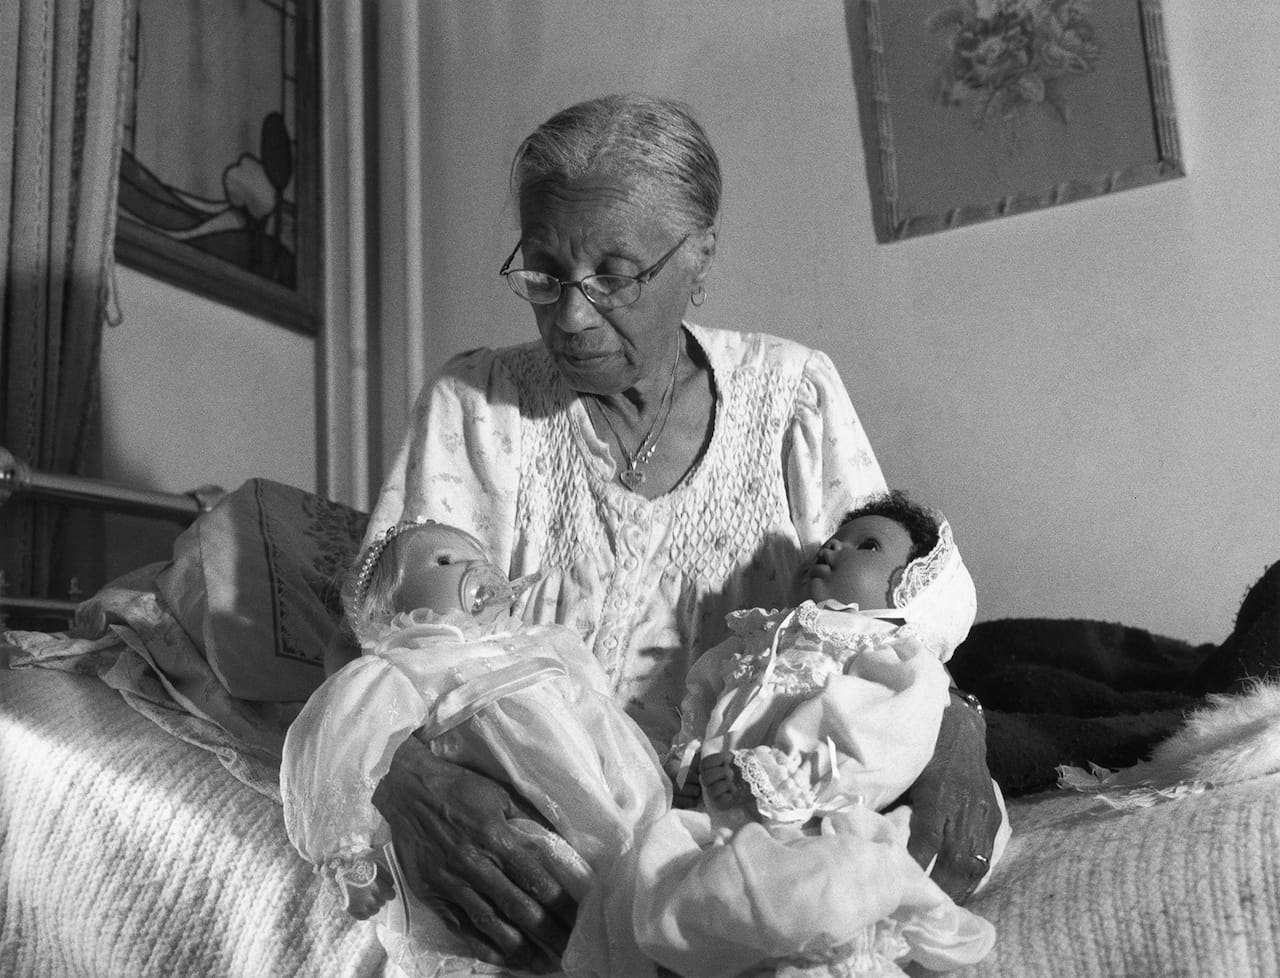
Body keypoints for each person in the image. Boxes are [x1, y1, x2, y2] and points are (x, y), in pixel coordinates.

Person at [336, 92, 1003, 972]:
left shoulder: (794, 396)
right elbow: (381, 641)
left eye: (614, 275)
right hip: (549, 834)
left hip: (737, 832)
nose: (570, 317)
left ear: (699, 259)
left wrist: (954, 726)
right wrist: (410, 785)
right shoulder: (474, 403)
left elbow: (889, 608)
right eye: (543, 274)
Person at [617, 492, 1003, 978]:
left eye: (866, 546)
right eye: (832, 539)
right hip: (722, 809)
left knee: (814, 894)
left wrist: (784, 778)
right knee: (666, 889)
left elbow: (882, 740)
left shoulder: (889, 651)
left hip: (815, 814)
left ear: (912, 592)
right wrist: (690, 761)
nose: (831, 548)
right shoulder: (754, 640)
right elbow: (701, 702)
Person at [283, 519, 669, 977]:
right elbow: (340, 743)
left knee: (642, 869)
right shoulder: (403, 665)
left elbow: (594, 702)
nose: (476, 569)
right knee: (554, 889)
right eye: (446, 562)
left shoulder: (539, 642)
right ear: (389, 607)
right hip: (520, 807)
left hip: (606, 780)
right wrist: (348, 856)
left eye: (481, 560)